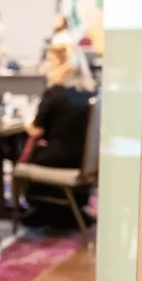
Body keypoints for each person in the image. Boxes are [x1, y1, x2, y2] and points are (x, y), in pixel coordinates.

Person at [20, 30, 96, 230]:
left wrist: (27, 124)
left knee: (21, 153)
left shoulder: (55, 93)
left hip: (60, 159)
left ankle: (40, 209)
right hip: (85, 159)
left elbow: (36, 130)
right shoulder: (91, 92)